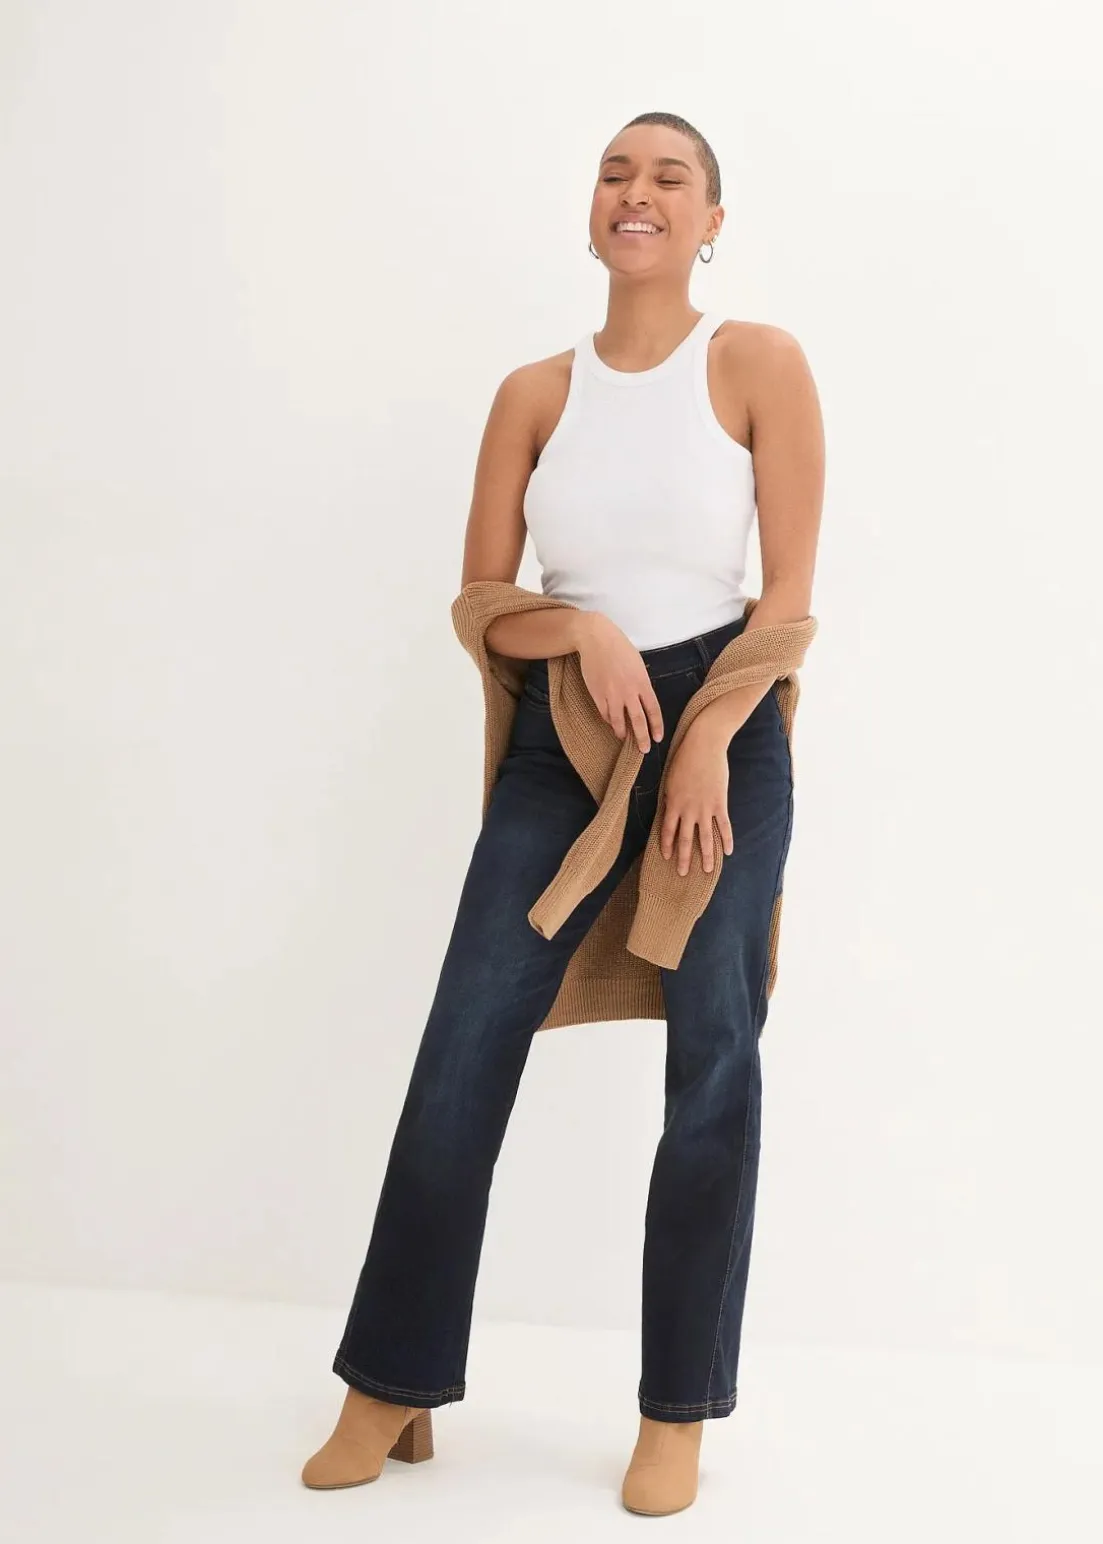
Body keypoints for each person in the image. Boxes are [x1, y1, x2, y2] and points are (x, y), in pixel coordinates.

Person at [301, 109, 825, 1517]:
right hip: (566, 738)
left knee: (714, 1057)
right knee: (466, 1040)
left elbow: (786, 593)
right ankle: (392, 1381)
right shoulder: (535, 391)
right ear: (592, 208)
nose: (635, 193)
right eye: (614, 173)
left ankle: (676, 1407)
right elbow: (482, 599)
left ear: (711, 221)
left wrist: (711, 731)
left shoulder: (758, 364)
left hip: (722, 731)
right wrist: (576, 631)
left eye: (668, 178)